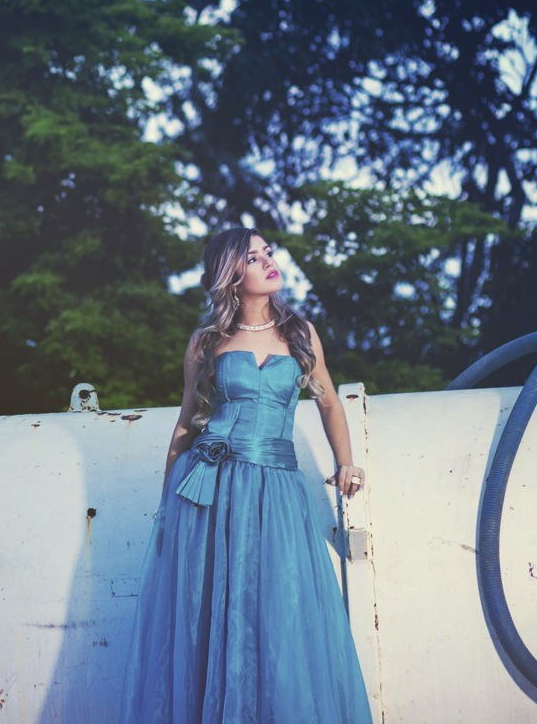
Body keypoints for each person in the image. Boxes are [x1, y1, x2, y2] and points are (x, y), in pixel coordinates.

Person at [118, 227, 372, 724]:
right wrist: (168, 502)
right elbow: (187, 424)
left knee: (277, 609)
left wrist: (346, 461)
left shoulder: (300, 332)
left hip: (275, 488)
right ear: (231, 276)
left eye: (268, 252)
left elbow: (328, 402)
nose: (269, 261)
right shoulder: (207, 340)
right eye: (253, 258)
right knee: (208, 611)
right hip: (209, 490)